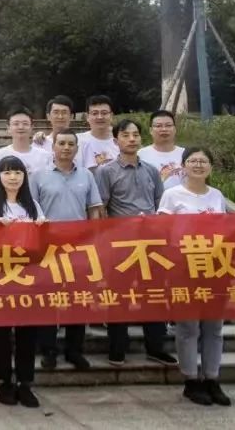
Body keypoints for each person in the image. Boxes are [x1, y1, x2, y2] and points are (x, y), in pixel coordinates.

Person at [94, 118, 178, 367]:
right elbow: (101, 208)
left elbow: (160, 204)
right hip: (120, 245)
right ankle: (117, 348)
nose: (131, 139)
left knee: (153, 294)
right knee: (119, 295)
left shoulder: (151, 170)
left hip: (151, 243)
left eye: (135, 135)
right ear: (116, 140)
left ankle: (156, 347)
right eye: (125, 135)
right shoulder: (106, 171)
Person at [156, 146, 231, 407]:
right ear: (183, 165)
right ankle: (190, 380)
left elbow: (226, 230)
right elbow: (162, 231)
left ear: (210, 167)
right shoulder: (172, 195)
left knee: (214, 328)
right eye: (193, 160)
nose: (198, 165)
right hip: (183, 269)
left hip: (214, 269)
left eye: (203, 161)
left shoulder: (217, 195)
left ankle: (212, 378)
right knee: (188, 328)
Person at [0, 156, 46, 408]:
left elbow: (43, 243)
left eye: (17, 172)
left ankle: (25, 383)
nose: (13, 177)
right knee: (2, 333)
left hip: (28, 278)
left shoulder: (33, 206)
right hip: (0, 278)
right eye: (7, 173)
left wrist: (43, 227)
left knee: (28, 333)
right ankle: (5, 382)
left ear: (25, 177)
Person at [29, 129, 102, 371]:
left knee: (77, 299)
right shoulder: (38, 176)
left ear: (77, 148)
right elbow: (31, 211)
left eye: (71, 144)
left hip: (78, 247)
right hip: (47, 248)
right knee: (49, 300)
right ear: (53, 147)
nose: (66, 148)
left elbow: (93, 209)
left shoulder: (87, 176)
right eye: (61, 143)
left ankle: (74, 350)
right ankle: (48, 350)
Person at [0, 107, 53, 175]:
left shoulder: (44, 156)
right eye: (16, 124)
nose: (21, 127)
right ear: (8, 128)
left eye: (25, 123)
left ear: (32, 127)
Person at [139, 109, 186, 189]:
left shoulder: (186, 154)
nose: (164, 129)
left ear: (175, 129)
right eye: (158, 126)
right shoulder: (140, 155)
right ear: (150, 130)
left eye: (168, 125)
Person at [78, 95, 118, 169]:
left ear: (111, 116)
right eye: (95, 113)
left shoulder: (120, 142)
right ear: (87, 117)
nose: (100, 117)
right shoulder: (78, 141)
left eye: (104, 113)